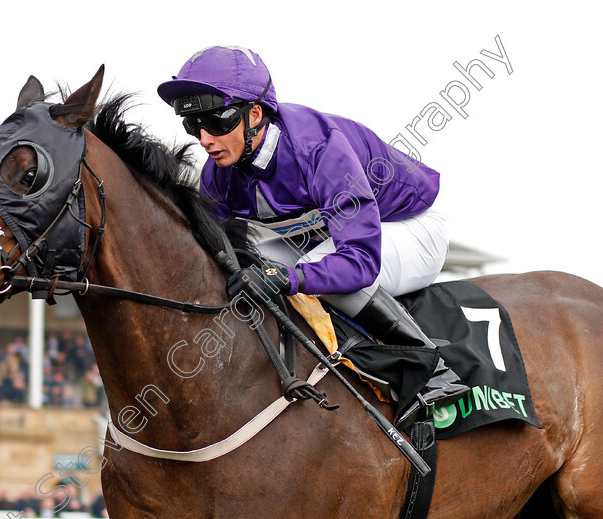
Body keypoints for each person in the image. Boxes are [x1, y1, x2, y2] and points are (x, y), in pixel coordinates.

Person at [157, 45, 469, 427]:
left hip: (411, 226)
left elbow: (360, 261)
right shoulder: (218, 175)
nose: (204, 139)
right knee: (250, 268)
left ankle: (431, 371)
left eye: (216, 122)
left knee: (307, 273)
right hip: (324, 234)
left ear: (255, 114)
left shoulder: (319, 149)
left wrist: (289, 278)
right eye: (193, 125)